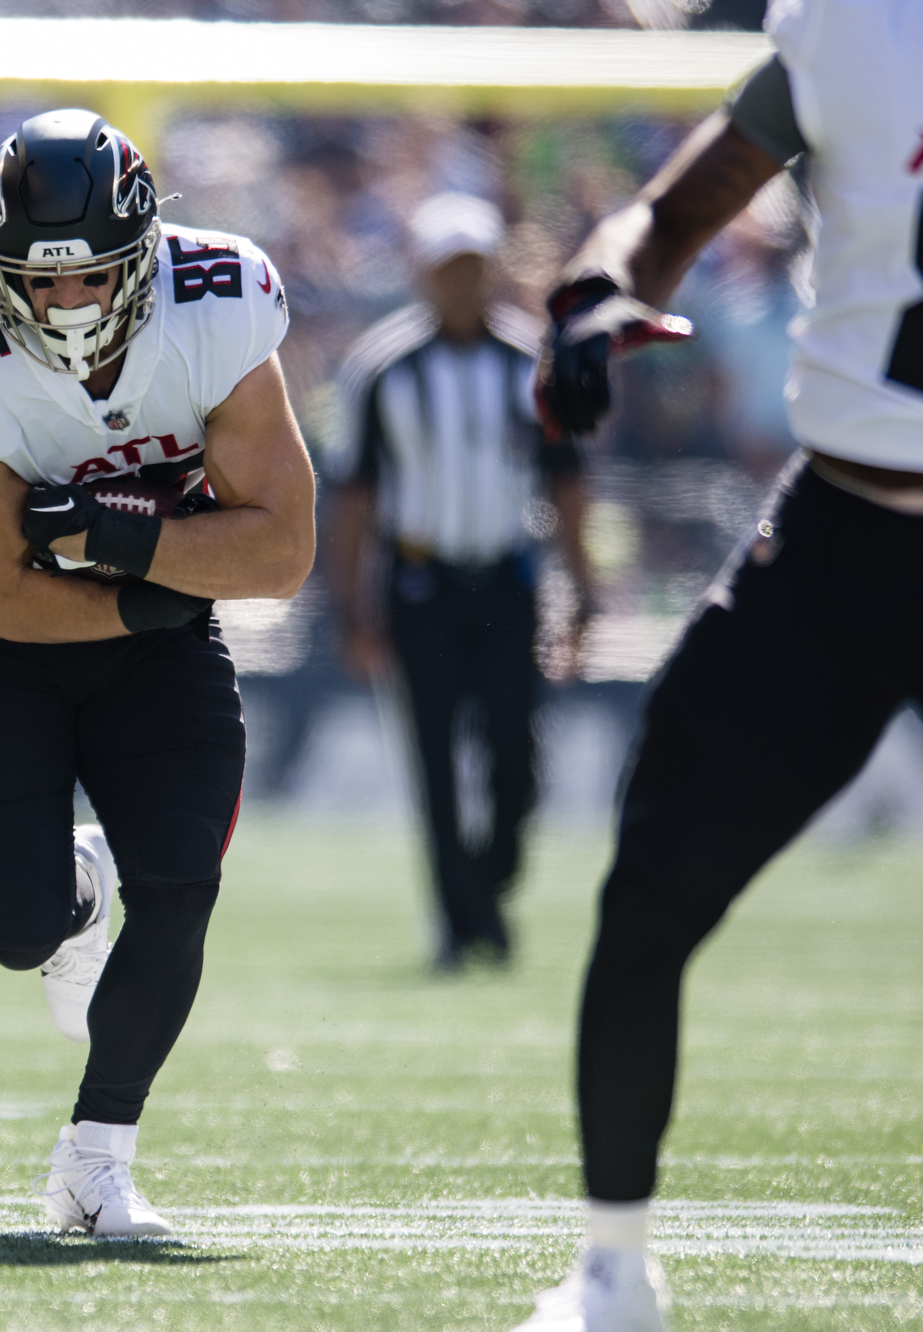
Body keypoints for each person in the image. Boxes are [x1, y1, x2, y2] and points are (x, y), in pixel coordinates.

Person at [511, 0, 923, 1323]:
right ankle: (612, 1271)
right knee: (649, 899)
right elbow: (671, 216)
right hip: (843, 540)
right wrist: (594, 296)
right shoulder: (855, 26)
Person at [0, 109, 315, 1237]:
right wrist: (153, 577)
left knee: (180, 885)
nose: (67, 307)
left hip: (155, 633)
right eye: (38, 284)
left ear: (144, 256)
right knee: (17, 930)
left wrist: (120, 541)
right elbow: (1, 594)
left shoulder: (220, 303)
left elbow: (279, 549)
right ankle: (69, 899)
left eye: (91, 282)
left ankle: (96, 1155)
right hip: (1, 643)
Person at [326, 193, 595, 972]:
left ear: (494, 270)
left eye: (475, 266)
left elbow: (567, 484)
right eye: (449, 268)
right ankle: (461, 924)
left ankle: (488, 882)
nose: (463, 282)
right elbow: (355, 496)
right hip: (421, 585)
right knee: (435, 762)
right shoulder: (380, 370)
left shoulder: (532, 365)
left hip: (508, 581)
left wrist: (583, 589)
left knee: (518, 757)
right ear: (421, 274)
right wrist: (353, 609)